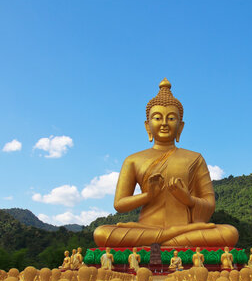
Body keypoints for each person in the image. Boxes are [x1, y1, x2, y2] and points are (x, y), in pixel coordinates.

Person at [93, 79, 238, 247]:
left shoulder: (195, 158)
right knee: (101, 233)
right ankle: (170, 238)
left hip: (183, 228)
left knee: (229, 233)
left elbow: (209, 203)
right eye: (157, 118)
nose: (163, 123)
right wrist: (148, 195)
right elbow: (119, 204)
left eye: (171, 118)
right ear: (148, 126)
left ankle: (159, 240)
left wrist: (189, 199)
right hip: (150, 229)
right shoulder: (133, 160)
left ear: (180, 126)